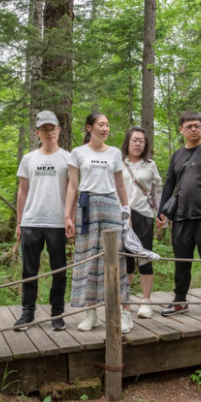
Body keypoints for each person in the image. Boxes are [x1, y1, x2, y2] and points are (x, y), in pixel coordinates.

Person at [65, 112, 134, 333]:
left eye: (107, 125)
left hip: (111, 206)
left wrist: (126, 211)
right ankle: (91, 313)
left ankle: (124, 313)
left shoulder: (114, 153)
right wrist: (67, 215)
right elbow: (73, 186)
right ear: (89, 127)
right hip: (86, 207)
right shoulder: (78, 153)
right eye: (100, 124)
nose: (105, 128)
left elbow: (120, 185)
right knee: (87, 258)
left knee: (116, 258)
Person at [157, 111, 201, 321]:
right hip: (181, 217)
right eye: (188, 127)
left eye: (197, 125)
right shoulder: (177, 155)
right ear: (181, 130)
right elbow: (169, 184)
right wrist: (161, 212)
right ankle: (180, 301)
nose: (193, 129)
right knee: (181, 262)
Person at [13, 111, 70, 331]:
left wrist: (70, 219)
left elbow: (73, 190)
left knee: (59, 270)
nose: (49, 133)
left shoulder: (67, 157)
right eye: (44, 129)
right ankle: (27, 313)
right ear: (38, 132)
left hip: (57, 222)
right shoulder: (29, 158)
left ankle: (57, 313)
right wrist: (19, 222)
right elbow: (22, 191)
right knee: (29, 270)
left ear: (59, 130)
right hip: (32, 220)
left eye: (52, 128)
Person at [121, 126, 162, 319]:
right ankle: (124, 302)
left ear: (145, 144)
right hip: (122, 218)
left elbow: (156, 192)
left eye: (141, 141)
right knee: (125, 259)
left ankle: (146, 302)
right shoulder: (119, 163)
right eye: (134, 140)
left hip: (144, 215)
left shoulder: (150, 165)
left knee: (144, 258)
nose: (137, 144)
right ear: (127, 142)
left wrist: (161, 214)